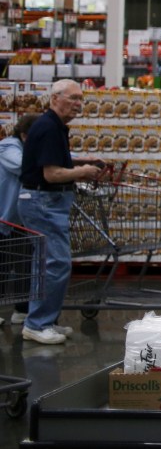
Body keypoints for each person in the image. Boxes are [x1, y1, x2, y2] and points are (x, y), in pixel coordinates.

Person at [16, 80, 101, 344]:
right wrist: (83, 172)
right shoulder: (49, 128)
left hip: (45, 202)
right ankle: (37, 323)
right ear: (55, 98)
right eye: (73, 98)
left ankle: (44, 320)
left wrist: (82, 161)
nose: (78, 104)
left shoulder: (53, 126)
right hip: (44, 202)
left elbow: (52, 161)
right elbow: (51, 174)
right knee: (55, 263)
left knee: (46, 264)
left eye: (81, 99)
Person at [1, 113, 39, 326]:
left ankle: (22, 309)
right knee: (3, 265)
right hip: (4, 216)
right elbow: (22, 166)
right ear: (25, 136)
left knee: (26, 263)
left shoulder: (28, 149)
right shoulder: (8, 147)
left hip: (22, 217)